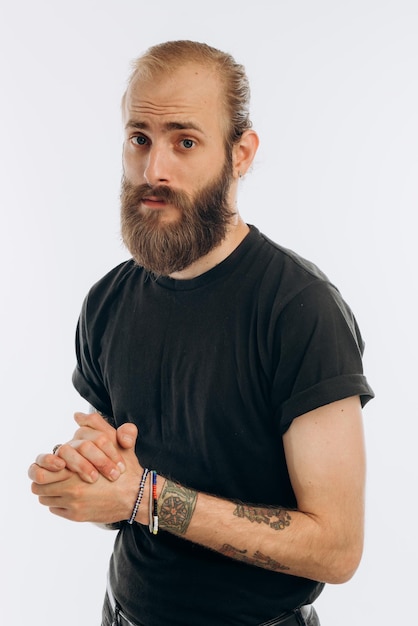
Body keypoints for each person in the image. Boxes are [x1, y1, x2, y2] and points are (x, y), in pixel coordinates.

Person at [29, 40, 374, 626]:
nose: (153, 170)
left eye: (185, 142)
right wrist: (89, 480)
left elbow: (337, 550)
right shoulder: (107, 301)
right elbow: (127, 495)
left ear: (241, 154)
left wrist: (148, 498)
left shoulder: (299, 308)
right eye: (140, 138)